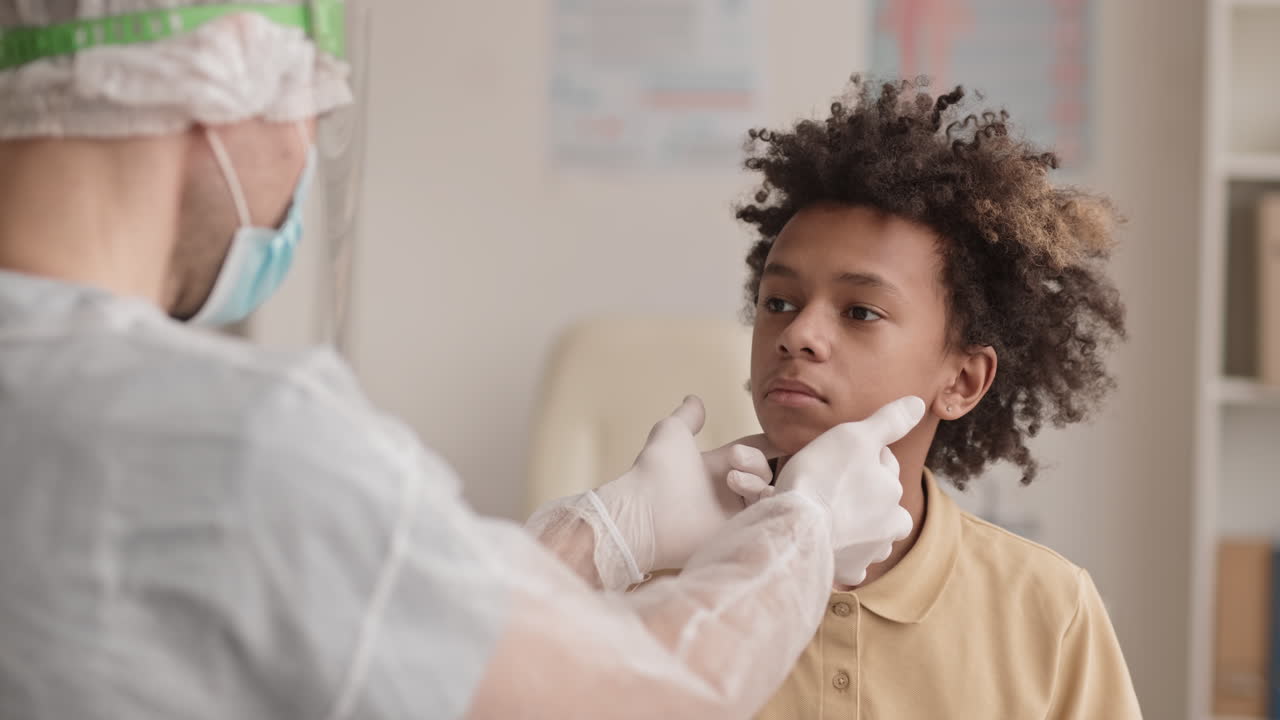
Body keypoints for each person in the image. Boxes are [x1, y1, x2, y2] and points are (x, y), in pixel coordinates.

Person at [0, 4, 924, 719]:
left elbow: (381, 632)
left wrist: (605, 531)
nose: (301, 155)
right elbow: (639, 698)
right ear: (225, 88)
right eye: (311, 108)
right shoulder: (244, 446)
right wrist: (801, 531)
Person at [732, 76, 1144, 718]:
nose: (799, 335)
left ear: (962, 381)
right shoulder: (665, 581)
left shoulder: (1049, 612)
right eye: (779, 303)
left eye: (861, 311)